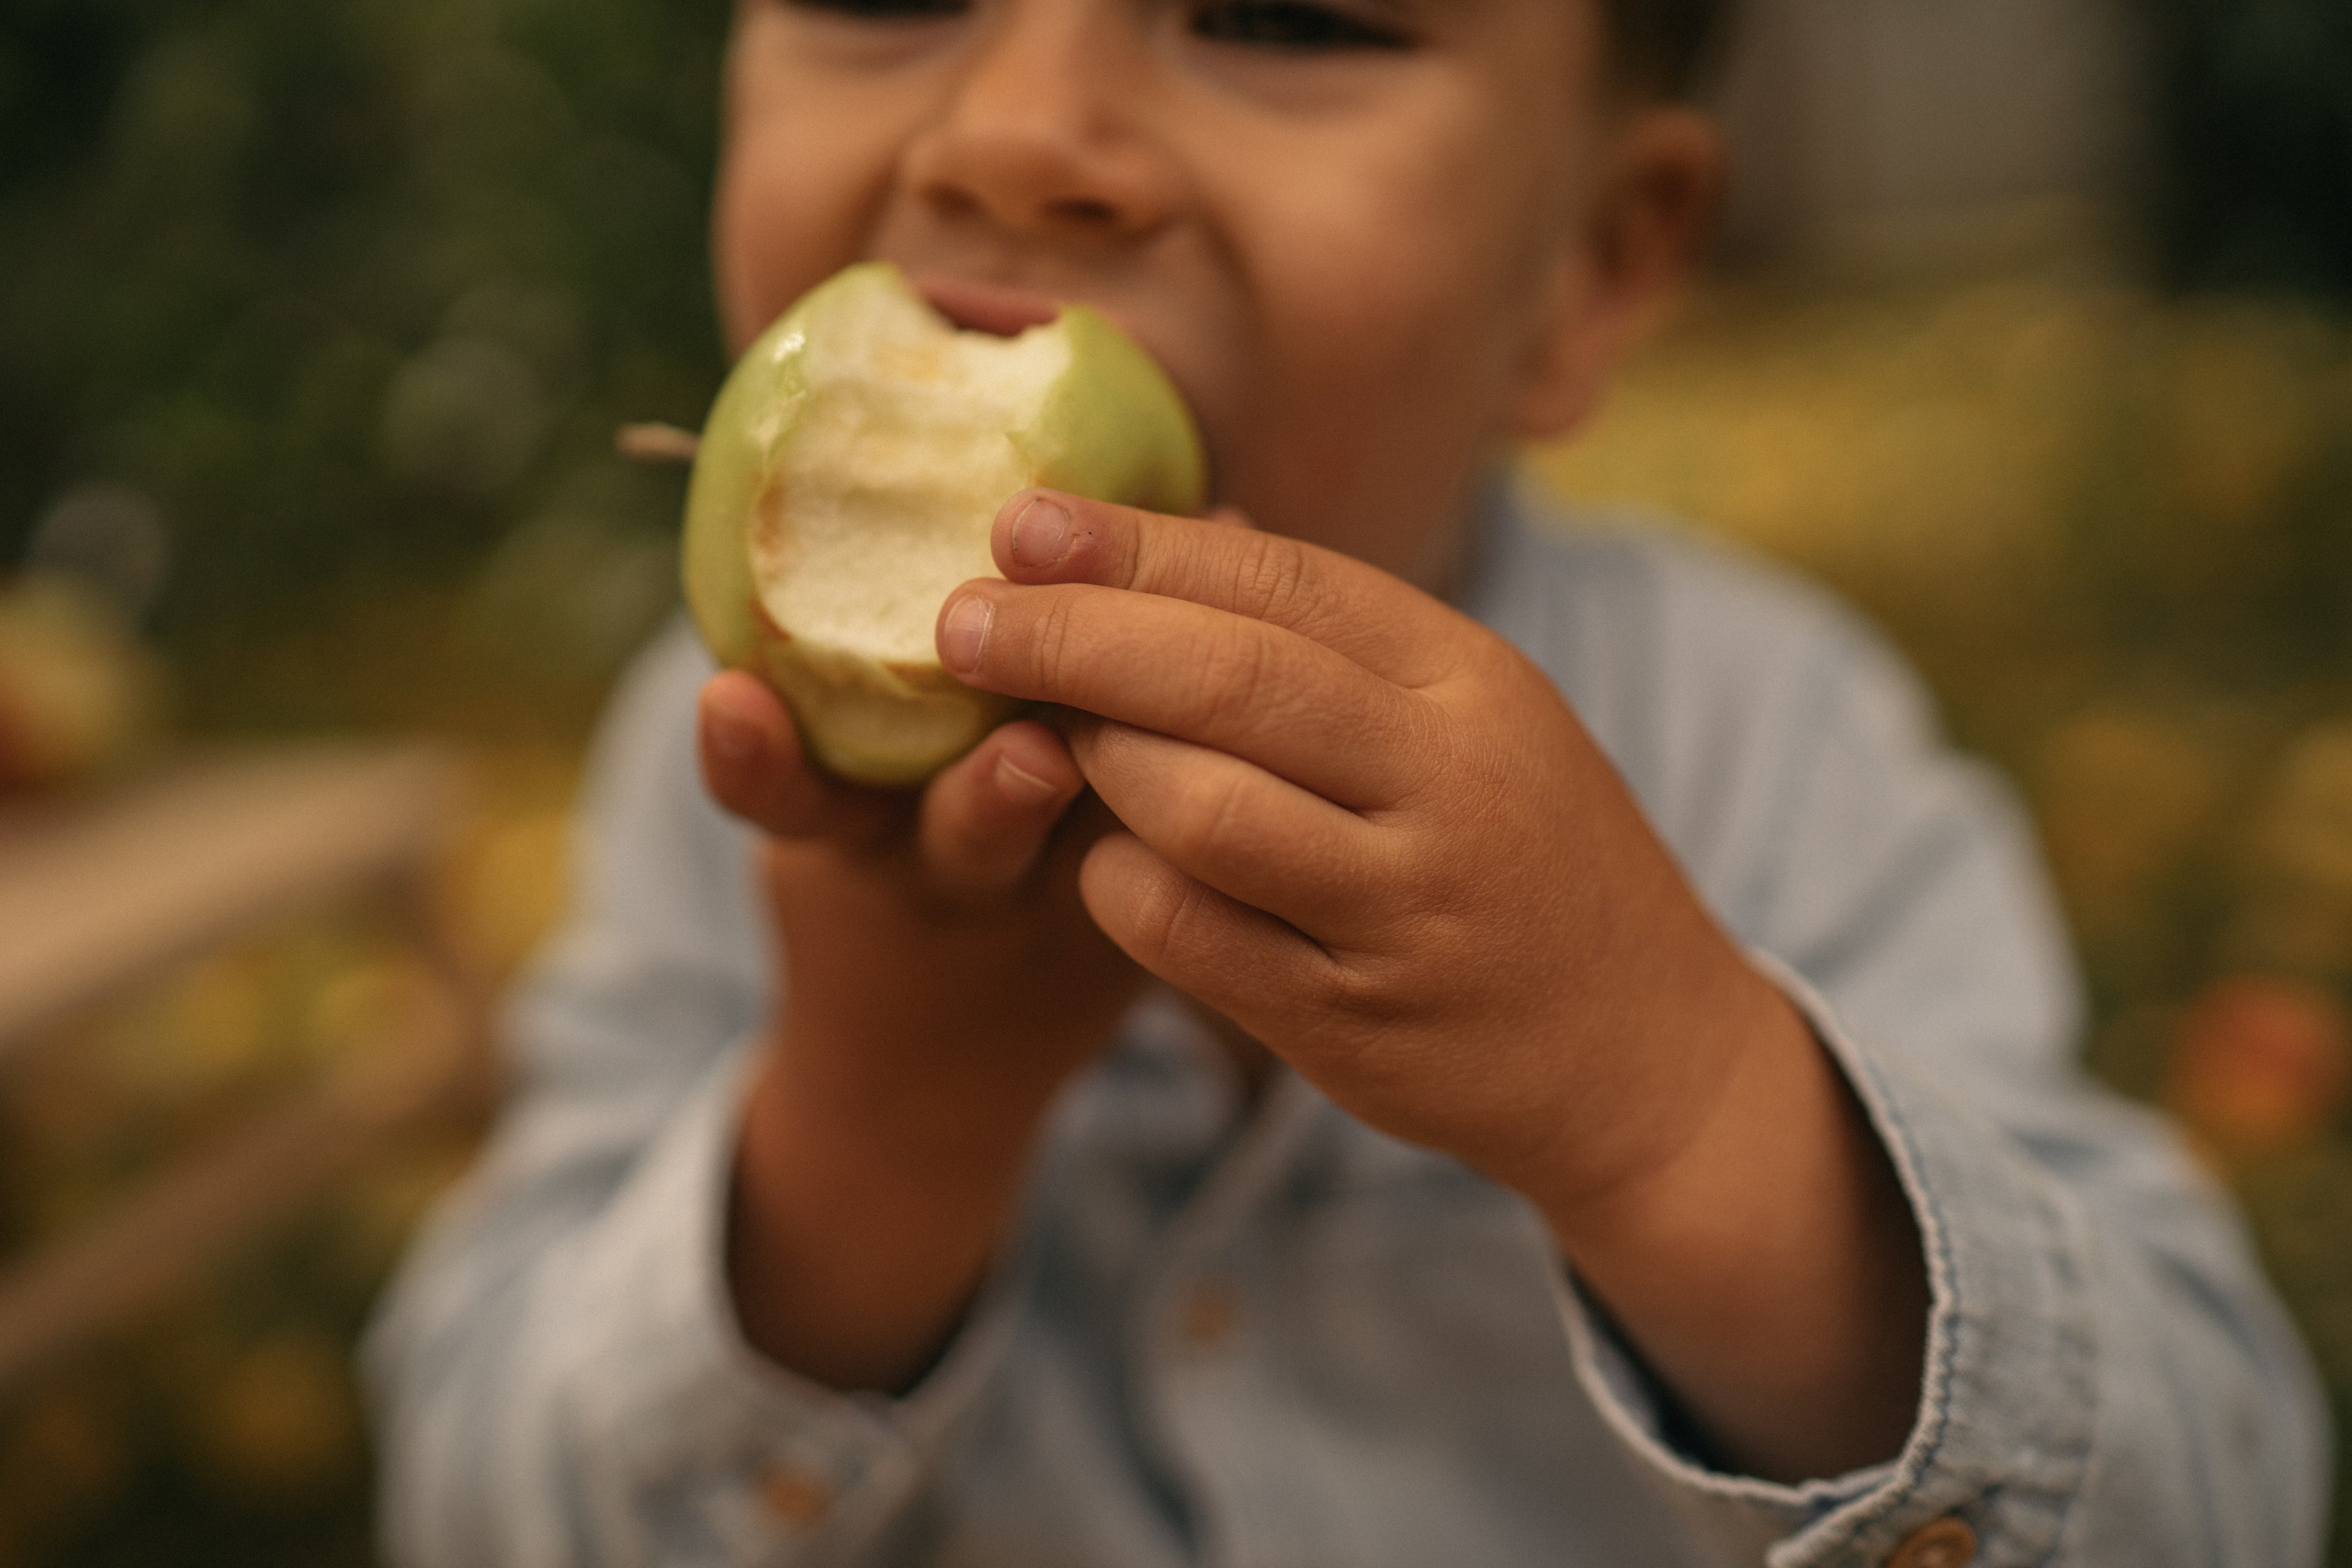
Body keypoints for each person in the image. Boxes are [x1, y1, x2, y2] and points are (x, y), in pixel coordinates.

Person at [366, 0, 2332, 1562]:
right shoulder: (716, 782)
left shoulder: (1760, 737)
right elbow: (467, 1501)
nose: (1016, 135)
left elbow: (2220, 1496)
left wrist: (1675, 1105)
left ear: (1584, 267)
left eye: (1282, 17)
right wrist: (867, 1135)